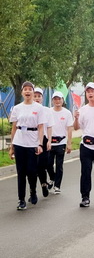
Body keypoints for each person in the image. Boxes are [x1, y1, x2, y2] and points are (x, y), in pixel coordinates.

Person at [9, 81, 47, 210]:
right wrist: (12, 146)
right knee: (21, 172)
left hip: (32, 142)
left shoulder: (39, 108)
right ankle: (21, 200)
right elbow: (14, 128)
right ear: (22, 92)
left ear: (33, 91)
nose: (27, 91)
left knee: (31, 171)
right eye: (25, 89)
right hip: (19, 141)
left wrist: (40, 144)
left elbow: (41, 127)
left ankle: (33, 191)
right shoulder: (17, 108)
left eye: (30, 89)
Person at [48, 91, 74, 194]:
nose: (57, 101)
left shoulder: (67, 113)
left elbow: (69, 129)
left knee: (59, 165)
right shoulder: (48, 112)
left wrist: (69, 143)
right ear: (52, 101)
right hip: (50, 142)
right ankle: (52, 178)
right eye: (55, 99)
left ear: (63, 100)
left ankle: (57, 185)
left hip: (61, 142)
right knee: (48, 164)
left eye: (59, 99)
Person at [33, 87, 55, 198]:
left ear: (42, 98)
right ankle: (34, 190)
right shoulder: (28, 109)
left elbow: (49, 127)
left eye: (39, 96)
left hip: (44, 140)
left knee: (42, 165)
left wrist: (49, 141)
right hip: (31, 139)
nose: (37, 98)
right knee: (33, 167)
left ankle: (43, 184)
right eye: (35, 96)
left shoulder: (47, 111)